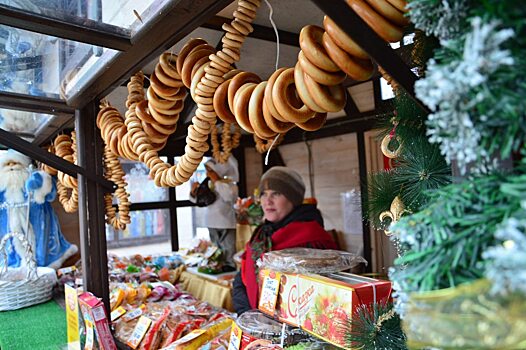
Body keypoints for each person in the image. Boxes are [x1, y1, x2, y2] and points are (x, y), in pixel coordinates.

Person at [232, 166, 337, 314]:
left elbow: (315, 298)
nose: (267, 201)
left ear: (293, 199)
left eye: (276, 194)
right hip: (256, 324)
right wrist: (248, 313)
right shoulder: (261, 233)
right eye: (263, 194)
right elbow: (242, 277)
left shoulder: (312, 238)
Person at [0, 150, 77, 268]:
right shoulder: (3, 188)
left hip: (39, 225)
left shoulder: (34, 179)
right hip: (8, 232)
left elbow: (50, 195)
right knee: (11, 247)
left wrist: (39, 184)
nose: (12, 167)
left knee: (40, 246)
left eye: (15, 163)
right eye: (8, 164)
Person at [190, 156, 239, 271]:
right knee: (215, 247)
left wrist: (217, 181)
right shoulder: (207, 183)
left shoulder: (229, 184)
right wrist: (193, 192)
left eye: (211, 170)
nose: (208, 173)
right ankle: (216, 264)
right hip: (211, 221)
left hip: (226, 221)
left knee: (228, 246)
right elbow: (198, 200)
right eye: (207, 170)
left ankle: (230, 266)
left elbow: (228, 197)